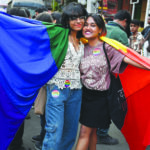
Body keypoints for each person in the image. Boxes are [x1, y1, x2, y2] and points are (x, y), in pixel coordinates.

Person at [75, 13, 147, 150]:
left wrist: (147, 65)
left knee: (84, 132)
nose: (87, 28)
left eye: (92, 25)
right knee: (91, 131)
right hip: (84, 95)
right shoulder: (80, 46)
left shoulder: (107, 47)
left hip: (100, 97)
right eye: (85, 25)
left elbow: (128, 59)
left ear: (100, 29)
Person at [42, 2, 87, 150]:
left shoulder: (83, 40)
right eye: (74, 18)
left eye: (81, 17)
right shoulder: (59, 33)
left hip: (76, 90)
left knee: (70, 132)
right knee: (54, 129)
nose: (78, 21)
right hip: (57, 88)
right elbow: (36, 31)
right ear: (67, 20)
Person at [97, 10, 131, 145]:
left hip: (94, 74)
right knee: (110, 104)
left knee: (97, 104)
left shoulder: (103, 29)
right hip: (111, 76)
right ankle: (102, 133)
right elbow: (126, 57)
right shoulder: (120, 33)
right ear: (125, 21)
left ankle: (95, 131)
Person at [7, 7, 31, 150]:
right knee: (17, 116)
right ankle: (16, 145)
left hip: (6, 85)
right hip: (19, 87)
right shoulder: (26, 38)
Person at [31, 12, 54, 150]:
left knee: (44, 112)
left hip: (43, 82)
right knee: (45, 112)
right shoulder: (51, 38)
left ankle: (43, 136)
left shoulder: (37, 38)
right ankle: (43, 136)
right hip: (47, 82)